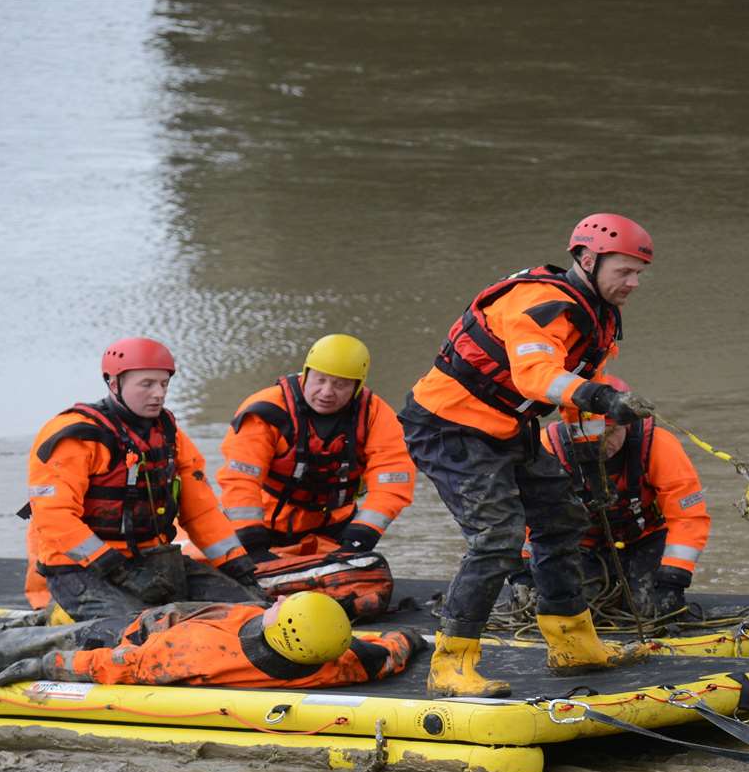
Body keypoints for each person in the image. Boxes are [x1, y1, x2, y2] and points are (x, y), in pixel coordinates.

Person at [398, 213, 661, 697]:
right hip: (447, 424)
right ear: (587, 258)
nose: (635, 282)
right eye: (625, 270)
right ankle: (451, 664)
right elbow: (535, 376)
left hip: (504, 426)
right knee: (497, 539)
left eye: (639, 272)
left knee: (564, 520)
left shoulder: (598, 314)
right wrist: (602, 399)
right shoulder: (541, 303)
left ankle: (572, 644)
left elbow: (572, 396)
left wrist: (591, 467)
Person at [22, 337, 262, 618]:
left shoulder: (169, 435)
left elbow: (201, 513)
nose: (158, 394)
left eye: (164, 384)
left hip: (152, 562)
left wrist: (238, 566)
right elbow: (54, 517)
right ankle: (61, 617)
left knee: (252, 612)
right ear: (114, 384)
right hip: (81, 570)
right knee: (137, 633)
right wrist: (116, 569)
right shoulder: (75, 436)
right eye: (146, 384)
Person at [0, 590, 423, 690]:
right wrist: (415, 639)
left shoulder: (188, 657)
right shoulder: (339, 660)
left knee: (48, 640)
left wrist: (44, 669)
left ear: (279, 621)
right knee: (50, 622)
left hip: (134, 634)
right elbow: (389, 650)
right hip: (171, 618)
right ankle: (36, 620)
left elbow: (104, 665)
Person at [218, 334, 416, 561]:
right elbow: (240, 479)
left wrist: (360, 538)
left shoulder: (376, 417)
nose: (327, 392)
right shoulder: (267, 411)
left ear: (357, 386)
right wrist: (252, 542)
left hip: (335, 532)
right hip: (264, 529)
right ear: (306, 374)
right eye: (320, 380)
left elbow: (392, 482)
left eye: (340, 385)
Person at [535, 374, 710, 621]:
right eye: (587, 434)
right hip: (581, 543)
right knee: (572, 612)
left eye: (610, 431)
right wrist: (525, 574)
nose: (600, 444)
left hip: (645, 538)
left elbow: (687, 518)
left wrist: (673, 579)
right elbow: (528, 517)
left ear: (627, 424)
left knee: (652, 611)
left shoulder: (659, 446)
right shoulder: (548, 448)